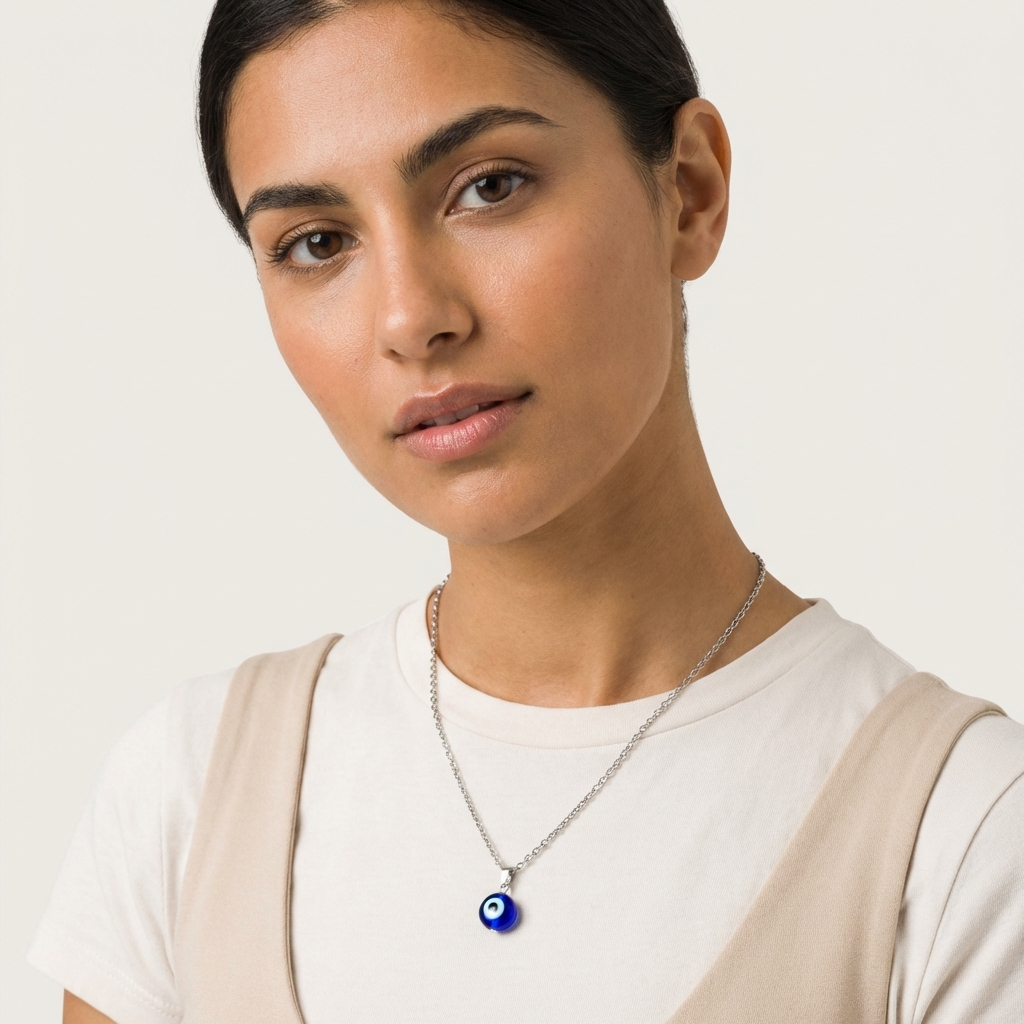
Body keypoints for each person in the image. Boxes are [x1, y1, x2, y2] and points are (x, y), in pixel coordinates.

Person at [29, 0, 1024, 1021]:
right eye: (318, 242)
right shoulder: (191, 800)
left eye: (487, 187)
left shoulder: (959, 839)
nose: (413, 318)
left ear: (688, 191)